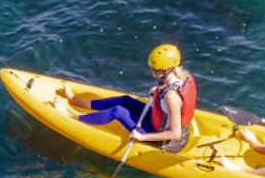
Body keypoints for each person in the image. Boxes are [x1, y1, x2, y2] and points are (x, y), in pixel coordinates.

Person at [66, 43, 199, 153]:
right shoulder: (181, 77)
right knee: (125, 100)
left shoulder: (172, 97)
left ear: (166, 71)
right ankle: (79, 102)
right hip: (158, 121)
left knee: (118, 111)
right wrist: (158, 91)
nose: (152, 72)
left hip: (167, 141)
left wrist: (142, 137)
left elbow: (175, 133)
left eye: (155, 70)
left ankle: (75, 119)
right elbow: (170, 92)